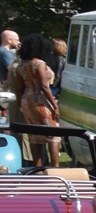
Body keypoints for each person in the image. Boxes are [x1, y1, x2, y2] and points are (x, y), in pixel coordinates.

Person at [6, 33, 60, 168]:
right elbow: (44, 86)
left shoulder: (21, 65)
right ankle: (55, 168)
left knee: (34, 135)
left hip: (26, 99)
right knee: (54, 135)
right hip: (40, 99)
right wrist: (55, 106)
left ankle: (38, 168)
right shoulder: (39, 63)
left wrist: (21, 103)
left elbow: (19, 87)